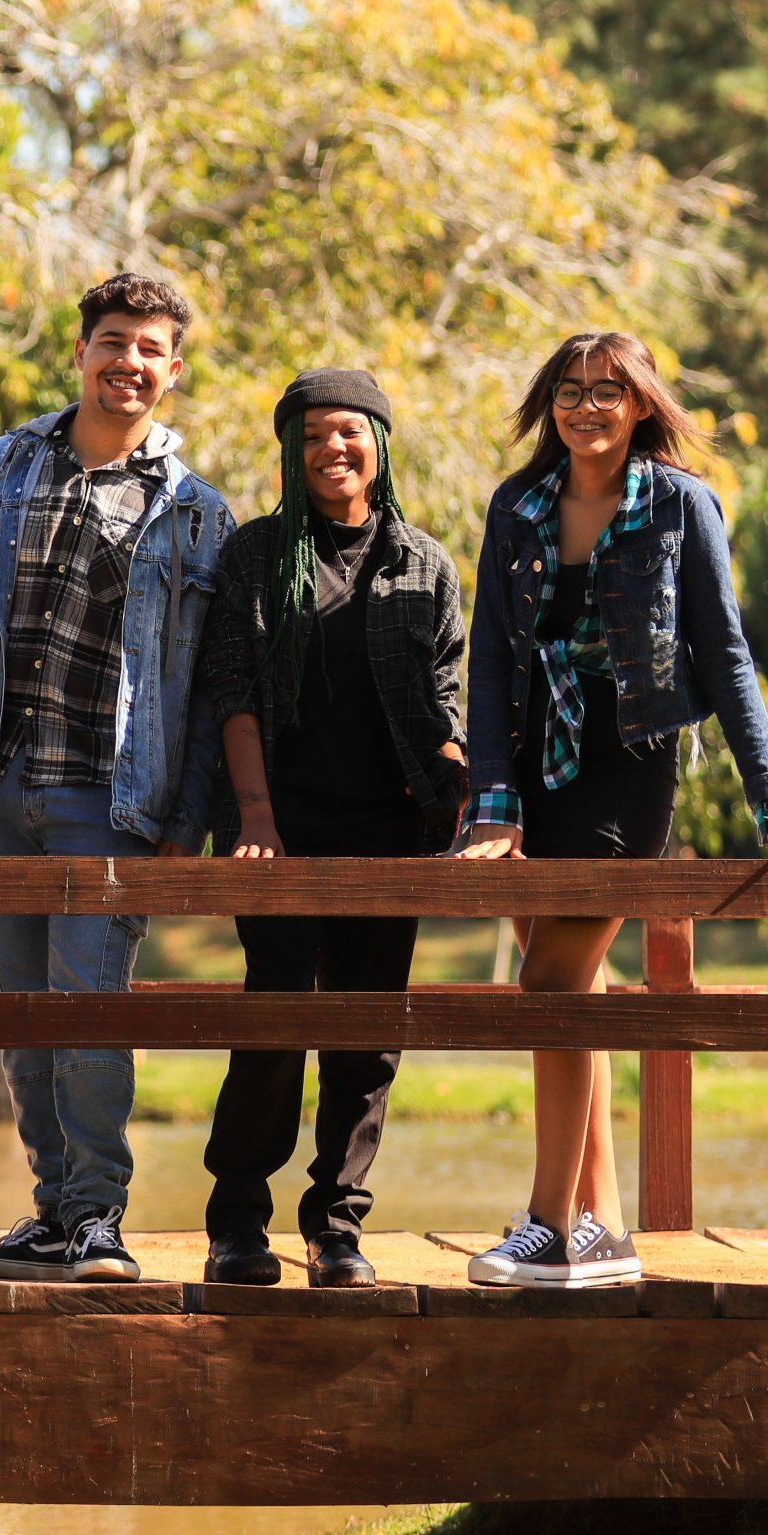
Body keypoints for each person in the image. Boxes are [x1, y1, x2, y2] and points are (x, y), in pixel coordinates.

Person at [458, 332, 768, 1288]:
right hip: (532, 764)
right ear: (552, 404)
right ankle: (607, 1228)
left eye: (608, 392)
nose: (588, 408)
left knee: (548, 985)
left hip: (628, 764)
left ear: (640, 405)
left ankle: (548, 1223)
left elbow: (725, 652)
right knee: (566, 996)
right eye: (571, 392)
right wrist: (492, 805)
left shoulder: (680, 505)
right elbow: (494, 661)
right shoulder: (517, 505)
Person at [0, 272, 233, 1284]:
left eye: (149, 348)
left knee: (88, 1002)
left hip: (111, 790)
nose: (127, 362)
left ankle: (97, 1216)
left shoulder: (197, 513)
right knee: (18, 1008)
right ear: (81, 351)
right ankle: (49, 1207)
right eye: (111, 340)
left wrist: (193, 808)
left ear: (172, 372)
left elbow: (208, 678)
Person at [196, 370, 466, 1289]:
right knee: (275, 1015)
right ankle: (238, 1219)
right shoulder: (255, 553)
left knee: (366, 1031)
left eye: (349, 432)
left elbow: (445, 709)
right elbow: (231, 690)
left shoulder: (424, 565)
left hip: (390, 831)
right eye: (311, 436)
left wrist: (473, 800)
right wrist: (257, 817)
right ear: (290, 450)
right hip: (279, 827)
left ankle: (336, 1226)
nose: (331, 450)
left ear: (379, 443)